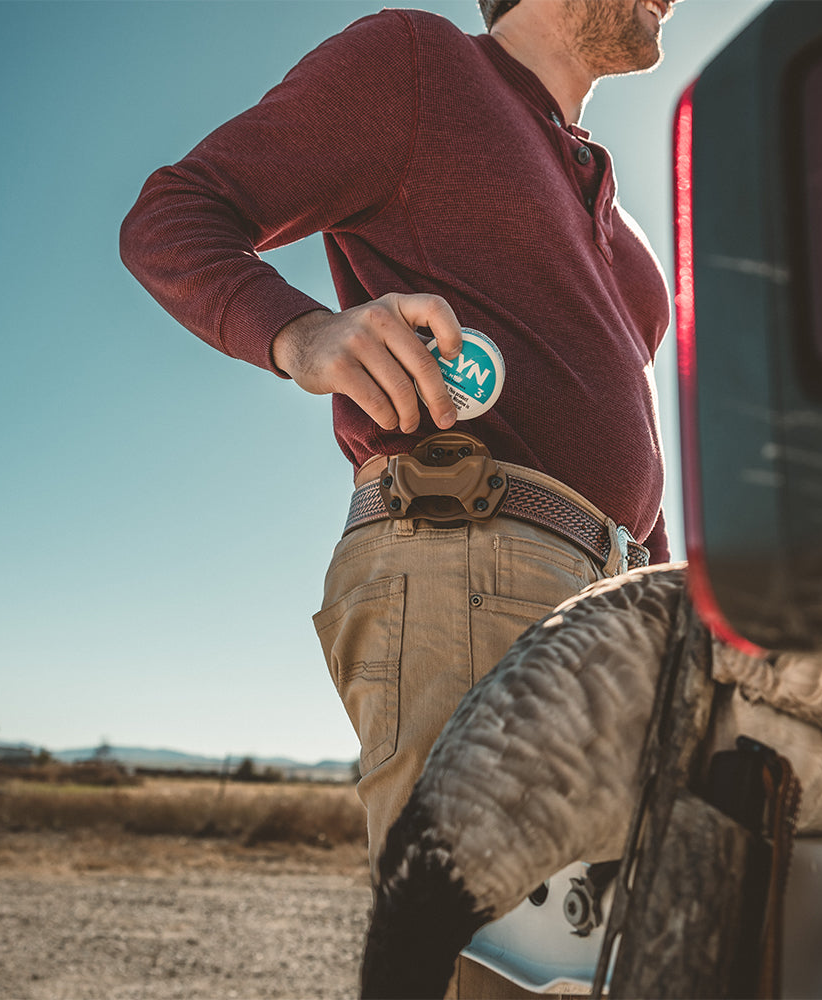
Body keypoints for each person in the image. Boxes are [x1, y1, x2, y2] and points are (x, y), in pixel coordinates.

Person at [121, 0, 677, 992]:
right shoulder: (421, 64)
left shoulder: (625, 227)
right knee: (485, 971)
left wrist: (667, 597)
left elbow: (629, 445)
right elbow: (173, 213)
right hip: (475, 559)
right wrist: (302, 335)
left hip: (617, 603)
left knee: (613, 964)